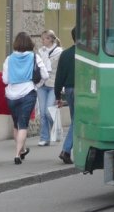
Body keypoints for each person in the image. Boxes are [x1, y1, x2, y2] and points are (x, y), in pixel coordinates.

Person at [3, 32, 48, 165]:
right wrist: (37, 85)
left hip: (11, 95)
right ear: (30, 43)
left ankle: (22, 150)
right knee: (23, 124)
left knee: (16, 124)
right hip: (28, 92)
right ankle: (17, 154)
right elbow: (44, 75)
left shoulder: (9, 59)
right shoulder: (34, 57)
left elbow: (5, 79)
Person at [54, 27, 76, 165]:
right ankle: (66, 150)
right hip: (84, 90)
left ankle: (70, 149)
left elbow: (59, 76)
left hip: (69, 90)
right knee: (78, 121)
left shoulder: (65, 54)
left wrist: (57, 95)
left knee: (76, 118)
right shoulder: (88, 54)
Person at [37, 30, 62, 146]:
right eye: (42, 39)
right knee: (42, 112)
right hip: (42, 84)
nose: (42, 41)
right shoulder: (40, 52)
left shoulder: (59, 52)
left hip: (53, 84)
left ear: (51, 39)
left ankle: (55, 129)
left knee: (48, 112)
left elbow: (61, 70)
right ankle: (44, 138)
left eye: (45, 39)